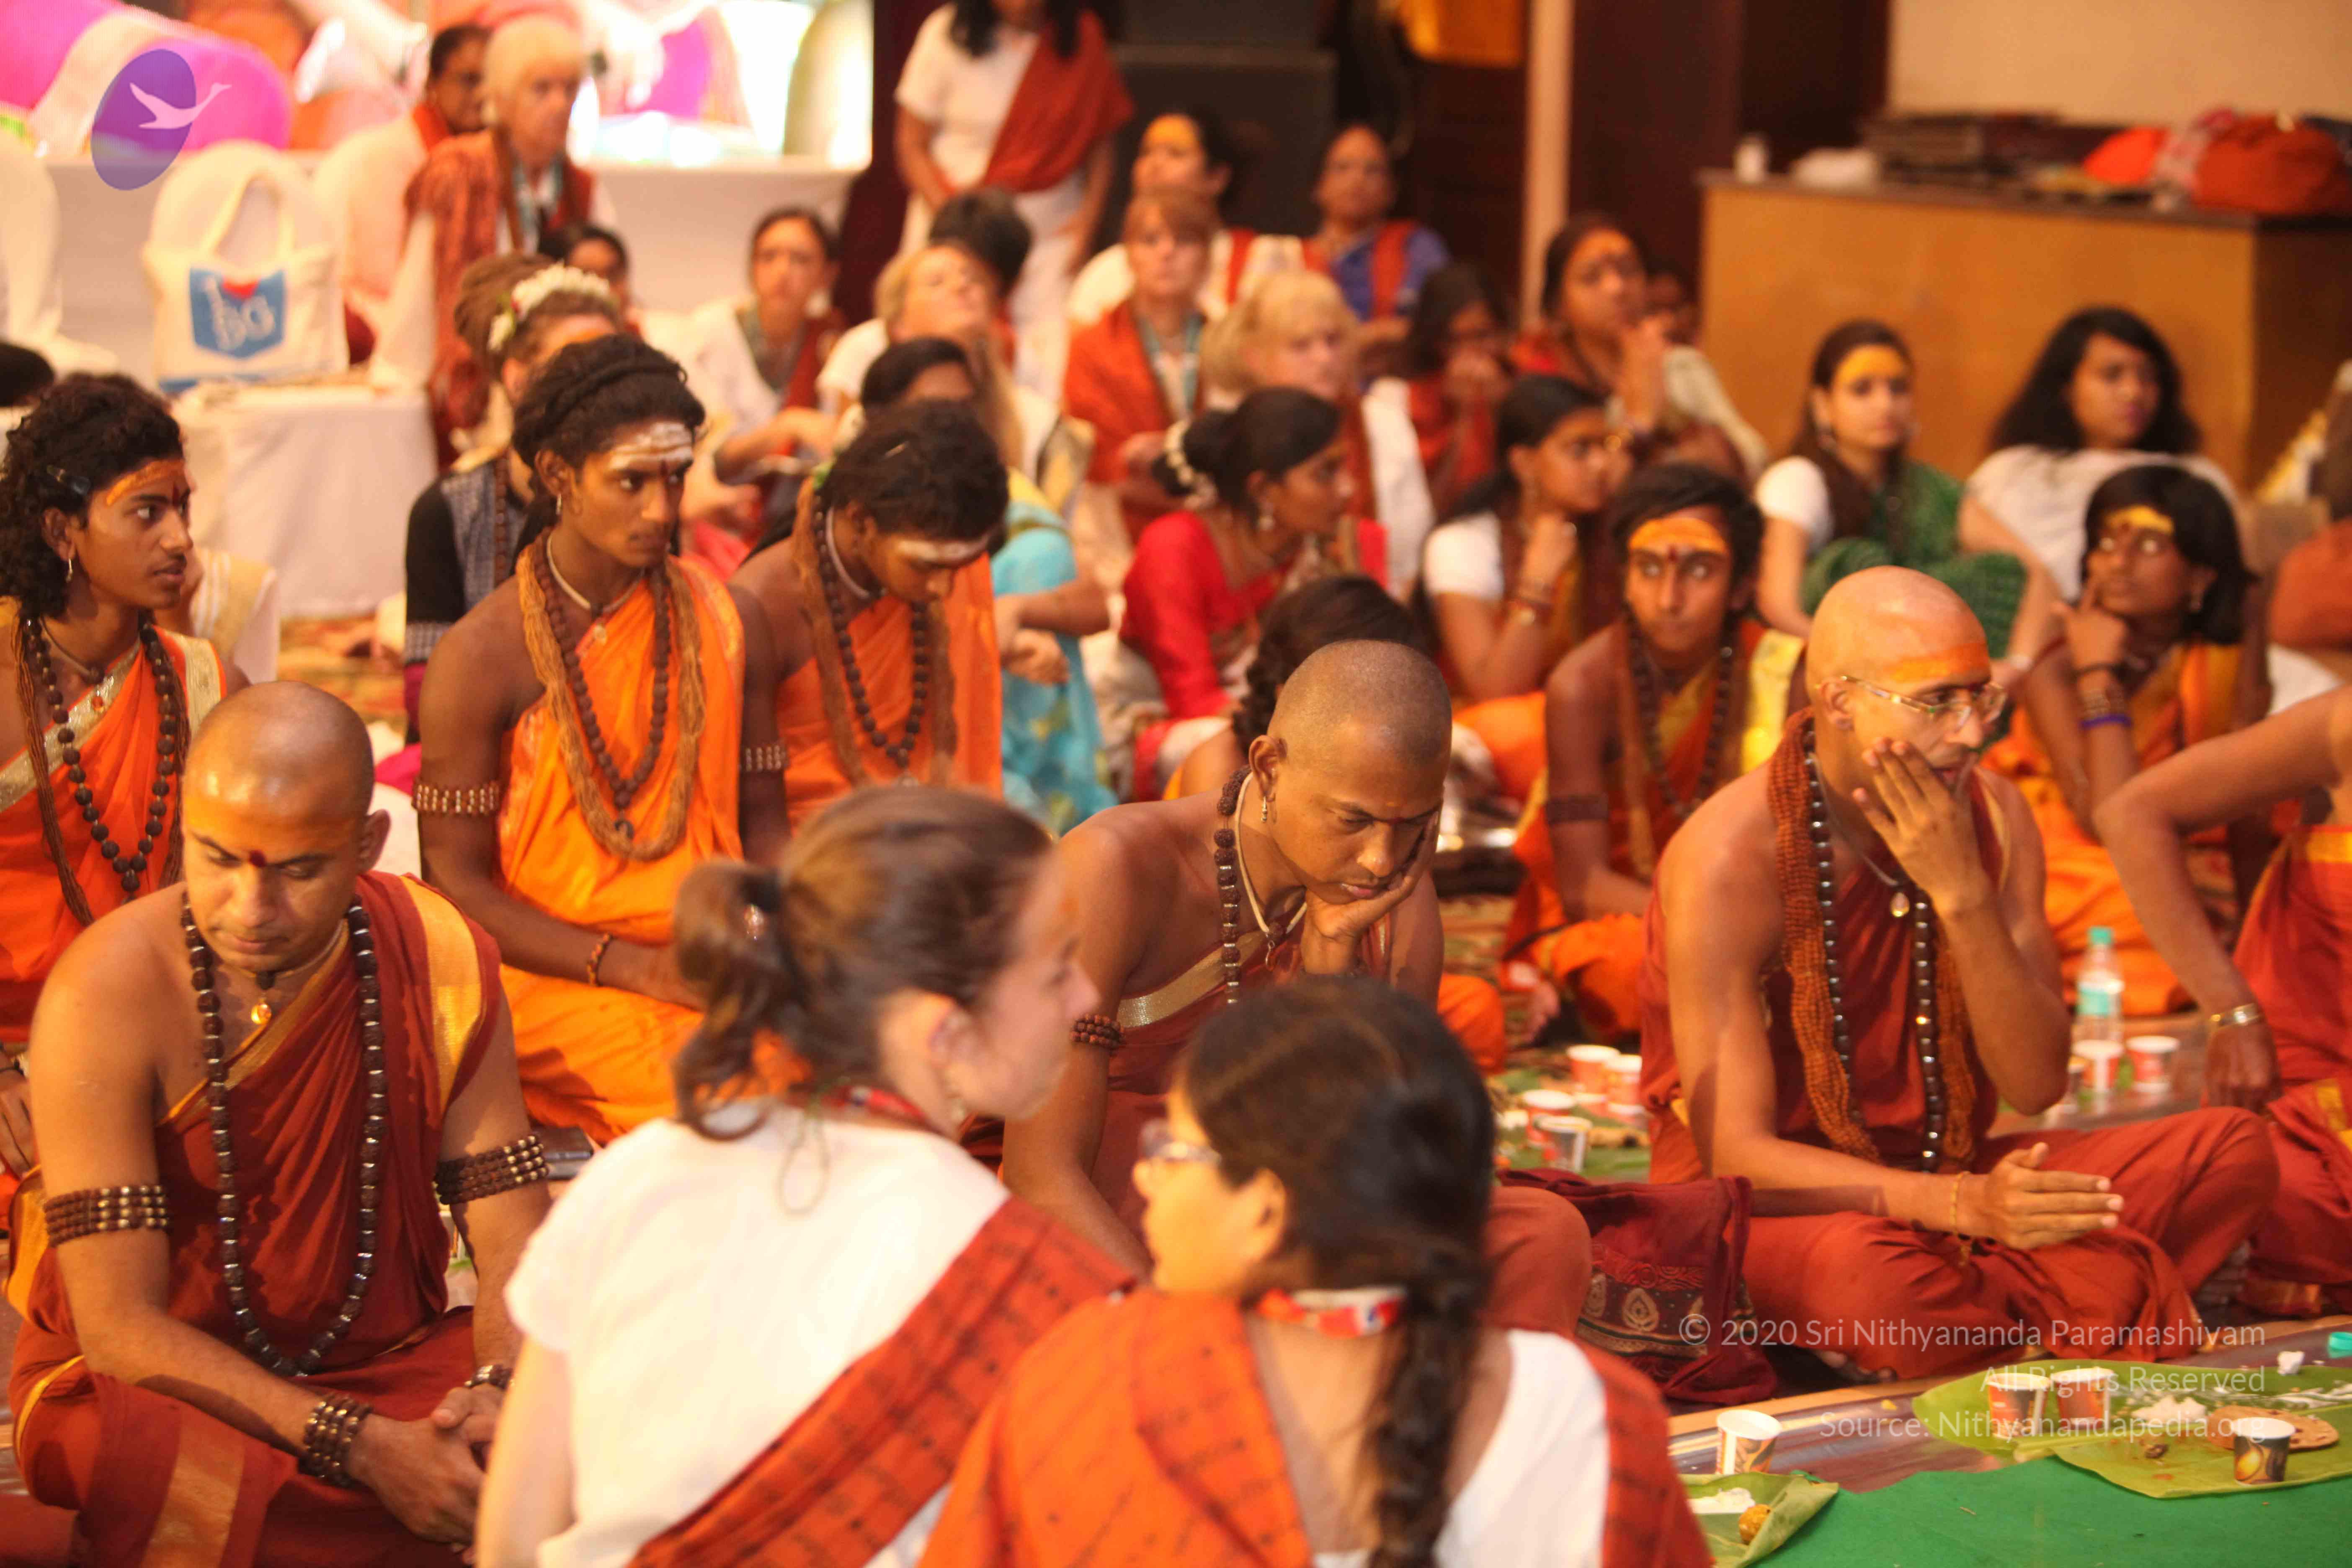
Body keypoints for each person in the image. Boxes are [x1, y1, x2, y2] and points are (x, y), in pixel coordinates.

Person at [1641, 566, 2276, 1380]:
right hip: (1781, 1211)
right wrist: (1957, 1206)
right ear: (1840, 701)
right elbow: (1736, 1157)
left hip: (1954, 1177)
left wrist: (1963, 896)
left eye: (1981, 697)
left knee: (2230, 1151)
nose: (1973, 732)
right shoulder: (1728, 857)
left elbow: (2035, 1081)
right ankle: (2051, 1300)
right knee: (1872, 1280)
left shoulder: (1998, 815)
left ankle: (1985, 1313)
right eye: (1937, 701)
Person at [474, 789, 1125, 1565]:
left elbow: (512, 1540)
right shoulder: (1026, 1280)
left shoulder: (635, 1174)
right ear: (943, 1031)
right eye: (1056, 970)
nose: (1087, 994)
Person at [8, 681, 551, 1560]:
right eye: (218, 859)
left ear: (367, 844)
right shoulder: (105, 991)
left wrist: (496, 1393)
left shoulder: (437, 951)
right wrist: (365, 1449)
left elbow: (511, 1225)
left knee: (580, 1417)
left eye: (298, 871)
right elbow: (118, 1330)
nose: (251, 908)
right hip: (172, 1387)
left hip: (393, 1360)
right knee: (165, 1476)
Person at [928, 979, 1706, 1568]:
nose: (1146, 1176)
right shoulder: (1596, 1414)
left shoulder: (1096, 1381)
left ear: (1265, 1211)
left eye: (1176, 1150)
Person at [991, 641, 1594, 1333]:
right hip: (1137, 1198)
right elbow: (1041, 1174)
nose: (1381, 859)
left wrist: (1330, 965)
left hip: (1296, 1208)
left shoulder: (1398, 895)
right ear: (1269, 768)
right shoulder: (1116, 866)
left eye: (1413, 824)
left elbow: (1371, 1151)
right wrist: (1183, 1334)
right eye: (1354, 820)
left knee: (1541, 1236)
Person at [417, 337, 787, 1143]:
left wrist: (777, 931)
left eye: (675, 478)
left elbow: (764, 823)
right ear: (558, 476)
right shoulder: (480, 657)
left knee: (880, 1040)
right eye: (631, 481)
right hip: (551, 971)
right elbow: (454, 886)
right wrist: (638, 966)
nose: (661, 509)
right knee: (736, 1088)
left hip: (710, 952)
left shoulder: (730, 619)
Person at [0, 377, 241, 1200]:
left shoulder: (206, 683)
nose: (181, 539)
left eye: (183, 507)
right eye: (147, 512)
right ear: (61, 530)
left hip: (162, 1037)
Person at [1166, 576, 1509, 1072]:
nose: (1381, 859)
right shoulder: (1219, 772)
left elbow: (1393, 1065)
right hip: (1229, 1008)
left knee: (1469, 1014)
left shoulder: (1392, 850)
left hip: (1330, 988)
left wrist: (1336, 962)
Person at [1508, 465, 1798, 1042]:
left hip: (1756, 915)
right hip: (1637, 919)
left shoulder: (1787, 673)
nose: (1669, 599)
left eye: (1699, 570)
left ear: (1742, 587)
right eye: (1648, 568)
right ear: (1624, 580)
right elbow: (1584, 887)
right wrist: (1708, 928)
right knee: (1627, 970)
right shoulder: (1584, 685)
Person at [2100, 689, 2352, 1317]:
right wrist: (2231, 1011)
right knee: (2246, 1187)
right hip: (2310, 1100)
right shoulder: (2342, 726)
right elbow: (2132, 812)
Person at [1985, 465, 2268, 1013]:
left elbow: (2248, 787)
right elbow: (2108, 817)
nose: (2117, 562)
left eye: (2149, 545)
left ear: (2200, 577)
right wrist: (2098, 674)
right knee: (2135, 900)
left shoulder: (2219, 658)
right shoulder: (2058, 668)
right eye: (2105, 543)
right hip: (2060, 841)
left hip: (2178, 836)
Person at [858, 338, 1115, 833]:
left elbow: (1095, 606)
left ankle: (1062, 809)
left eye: (965, 405)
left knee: (1043, 556)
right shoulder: (861, 507)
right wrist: (989, 647)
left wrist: (1015, 611)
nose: (958, 422)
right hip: (912, 714)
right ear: (881, 422)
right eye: (936, 407)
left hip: (1000, 689)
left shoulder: (1000, 486)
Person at [736, 399, 1009, 828]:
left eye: (960, 566)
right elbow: (759, 824)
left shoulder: (952, 562)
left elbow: (969, 761)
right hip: (820, 850)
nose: (945, 588)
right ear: (862, 522)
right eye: (925, 566)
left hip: (940, 831)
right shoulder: (762, 604)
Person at [1109, 391, 1384, 797]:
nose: (1347, 488)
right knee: (1228, 749)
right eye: (1325, 473)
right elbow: (1193, 698)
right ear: (1263, 490)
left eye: (1344, 466)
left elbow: (1375, 668)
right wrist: (1317, 740)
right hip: (1166, 721)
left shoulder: (1337, 546)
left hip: (1285, 720)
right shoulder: (1173, 549)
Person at [1754, 320, 2056, 680]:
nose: (1885, 404)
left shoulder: (1929, 489)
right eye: (1862, 390)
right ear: (1822, 405)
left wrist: (2018, 666)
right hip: (1825, 677)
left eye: (1898, 389)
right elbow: (1779, 608)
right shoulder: (1798, 481)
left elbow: (2034, 573)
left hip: (1933, 680)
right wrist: (1880, 670)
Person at [402, 253, 625, 724]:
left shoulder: (639, 498)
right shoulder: (447, 509)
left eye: (612, 364)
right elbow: (426, 695)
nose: (601, 385)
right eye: (575, 364)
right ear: (518, 378)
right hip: (478, 741)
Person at [379, 17, 619, 448]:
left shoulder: (582, 186)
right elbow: (418, 292)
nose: (559, 104)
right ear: (503, 99)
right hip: (471, 395)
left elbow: (610, 290)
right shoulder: (457, 170)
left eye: (569, 89)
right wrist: (400, 383)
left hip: (565, 392)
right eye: (541, 89)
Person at [893, 0, 1133, 393]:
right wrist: (959, 222)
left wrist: (1087, 225)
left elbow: (1100, 142)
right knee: (941, 344)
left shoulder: (1081, 36)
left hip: (1047, 234)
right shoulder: (945, 32)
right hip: (952, 226)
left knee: (1047, 359)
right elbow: (911, 143)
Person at [1420, 376, 1621, 802]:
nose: (1601, 465)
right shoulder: (1464, 543)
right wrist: (1538, 582)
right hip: (1492, 751)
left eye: (1607, 446)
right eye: (1580, 450)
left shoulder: (1616, 538)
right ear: (1525, 463)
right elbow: (1495, 692)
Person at [1968, 306, 2236, 601]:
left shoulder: (2194, 476)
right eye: (2112, 375)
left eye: (2148, 377)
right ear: (2066, 387)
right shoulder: (2011, 471)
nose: (2134, 392)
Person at [1209, 270, 1435, 598]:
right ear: (1254, 358)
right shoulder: (1230, 435)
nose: (1325, 358)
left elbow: (1410, 555)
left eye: (1333, 340)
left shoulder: (1383, 422)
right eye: (1301, 345)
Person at [1511, 214, 1764, 479]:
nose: (1617, 288)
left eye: (1628, 270)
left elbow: (1754, 458)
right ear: (1558, 304)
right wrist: (1639, 423)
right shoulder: (1540, 388)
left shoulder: (1678, 365)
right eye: (1591, 277)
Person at [313, 23, 490, 333]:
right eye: (469, 80)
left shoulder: (492, 154)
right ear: (432, 83)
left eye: (490, 82)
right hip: (389, 319)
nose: (481, 95)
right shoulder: (391, 153)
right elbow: (380, 274)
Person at [1062, 188, 1215, 544]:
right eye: (1150, 240)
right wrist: (1127, 458)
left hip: (1218, 523)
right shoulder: (1094, 346)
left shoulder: (1230, 341)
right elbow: (1094, 460)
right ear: (1128, 256)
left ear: (1207, 258)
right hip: (1115, 529)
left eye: (1185, 240)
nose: (1167, 252)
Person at [674, 207, 844, 506]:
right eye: (769, 257)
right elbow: (704, 454)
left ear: (827, 274)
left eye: (800, 259)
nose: (783, 271)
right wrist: (788, 426)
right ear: (752, 267)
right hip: (714, 502)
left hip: (792, 507)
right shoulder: (710, 332)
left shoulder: (830, 338)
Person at [1302, 124, 1451, 366]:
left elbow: (1445, 325)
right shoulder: (1294, 256)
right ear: (1318, 186)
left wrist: (1375, 335)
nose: (1357, 179)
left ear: (1392, 190)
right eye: (1343, 168)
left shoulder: (1417, 248)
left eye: (1372, 170)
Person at [1388, 260, 1513, 517]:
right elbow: (1429, 509)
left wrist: (1505, 408)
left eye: (1481, 336)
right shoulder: (1408, 399)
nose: (1469, 354)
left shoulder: (1524, 384)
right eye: (1454, 341)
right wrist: (1463, 415)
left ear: (1503, 333)